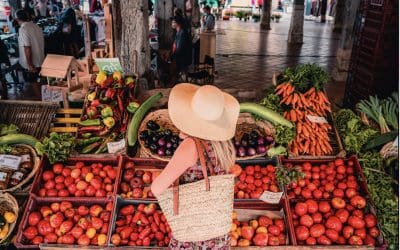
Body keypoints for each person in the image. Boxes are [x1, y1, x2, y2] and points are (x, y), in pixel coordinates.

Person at [151, 83, 240, 249]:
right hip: (218, 235)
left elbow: (157, 188)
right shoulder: (224, 145)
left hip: (193, 235)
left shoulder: (190, 147)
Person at [15, 9, 44, 73]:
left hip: (32, 64)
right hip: (40, 61)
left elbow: (27, 48)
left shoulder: (23, 29)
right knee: (39, 80)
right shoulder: (36, 26)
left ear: (17, 19)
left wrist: (30, 65)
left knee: (33, 82)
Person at [171, 15, 192, 82]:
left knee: (183, 75)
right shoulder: (179, 32)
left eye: (174, 22)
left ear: (178, 23)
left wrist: (173, 56)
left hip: (183, 59)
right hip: (181, 58)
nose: (172, 24)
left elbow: (179, 48)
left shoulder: (182, 33)